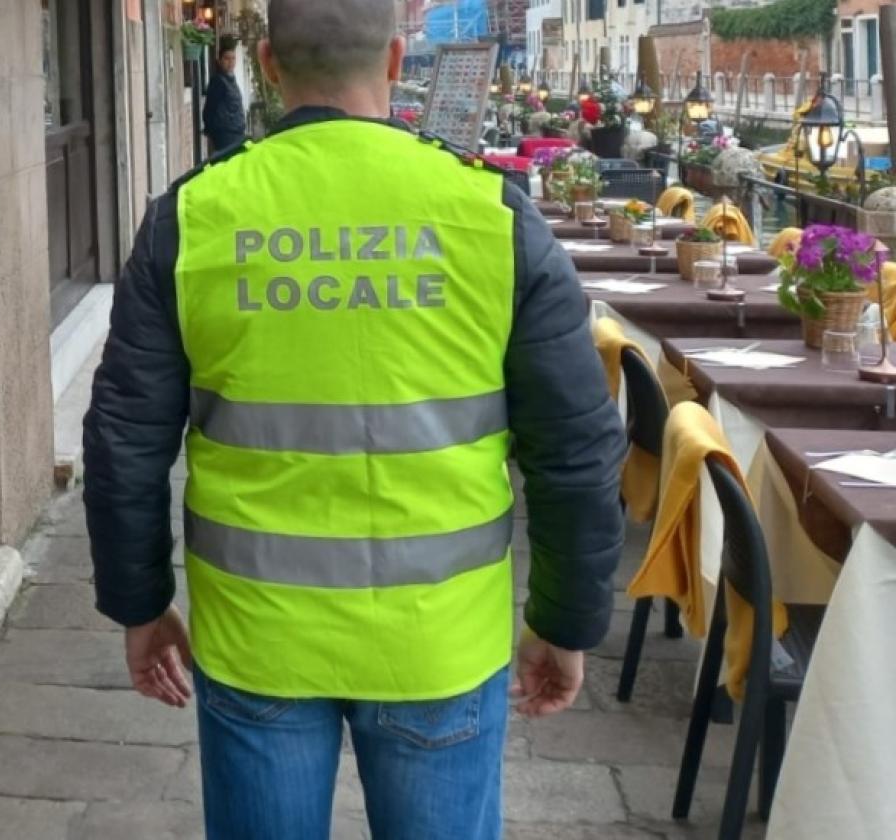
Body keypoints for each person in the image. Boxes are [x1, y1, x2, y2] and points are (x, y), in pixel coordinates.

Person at [81, 1, 626, 838]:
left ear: (266, 64)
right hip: (437, 643)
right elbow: (576, 449)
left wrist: (141, 606)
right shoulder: (492, 216)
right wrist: (564, 622)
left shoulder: (192, 219)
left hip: (260, 638)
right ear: (399, 59)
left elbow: (125, 443)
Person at [202, 37, 247, 153]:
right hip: (225, 135)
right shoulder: (218, 82)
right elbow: (209, 109)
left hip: (237, 133)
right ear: (220, 60)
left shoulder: (231, 79)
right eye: (227, 58)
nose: (230, 62)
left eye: (233, 58)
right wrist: (214, 131)